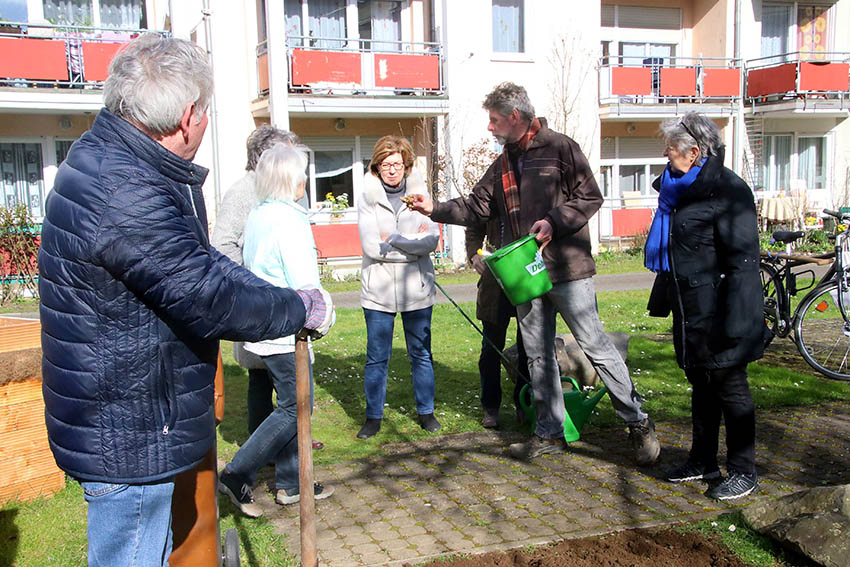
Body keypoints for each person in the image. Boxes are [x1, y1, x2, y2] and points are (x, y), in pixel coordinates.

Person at [38, 34, 334, 567]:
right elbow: (207, 295)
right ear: (188, 116)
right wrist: (297, 308)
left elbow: (198, 262)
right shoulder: (124, 189)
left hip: (127, 412)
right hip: (125, 427)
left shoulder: (121, 161)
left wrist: (282, 296)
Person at [409, 82, 660, 465]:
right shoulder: (503, 163)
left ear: (515, 117)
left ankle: (637, 421)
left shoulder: (562, 148)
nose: (490, 127)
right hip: (525, 273)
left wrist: (554, 222)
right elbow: (476, 207)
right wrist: (435, 208)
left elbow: (590, 196)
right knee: (538, 356)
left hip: (568, 269)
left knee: (595, 346)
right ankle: (549, 432)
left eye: (494, 120)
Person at [645, 113, 763, 500]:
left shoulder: (728, 191)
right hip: (689, 308)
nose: (664, 153)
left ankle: (744, 471)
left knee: (731, 386)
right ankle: (703, 460)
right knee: (701, 384)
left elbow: (743, 261)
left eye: (670, 148)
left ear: (694, 152)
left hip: (722, 310)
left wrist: (738, 320)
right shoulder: (676, 188)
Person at [218, 144, 334, 516]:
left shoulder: (260, 213)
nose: (304, 179)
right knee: (296, 406)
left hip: (264, 323)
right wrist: (322, 314)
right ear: (290, 179)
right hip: (285, 328)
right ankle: (237, 472)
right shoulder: (288, 219)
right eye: (301, 172)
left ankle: (291, 483)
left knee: (288, 403)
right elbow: (304, 283)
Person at [212, 125, 324, 450]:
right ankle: (263, 451)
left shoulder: (280, 194)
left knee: (283, 387)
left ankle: (285, 446)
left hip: (278, 304)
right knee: (262, 383)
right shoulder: (243, 192)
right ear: (267, 157)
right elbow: (221, 245)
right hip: (258, 302)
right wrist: (255, 278)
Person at [356, 135, 441, 439]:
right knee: (377, 356)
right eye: (385, 164)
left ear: (406, 165)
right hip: (377, 291)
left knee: (421, 353)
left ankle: (426, 412)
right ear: (376, 167)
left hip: (416, 288)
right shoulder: (367, 195)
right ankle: (373, 417)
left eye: (397, 164)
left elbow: (431, 240)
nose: (392, 170)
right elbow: (370, 247)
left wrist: (391, 238)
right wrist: (411, 245)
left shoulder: (420, 196)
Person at [465, 218, 530, 429]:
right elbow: (473, 223)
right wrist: (474, 254)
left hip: (527, 275)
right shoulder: (490, 188)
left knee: (529, 348)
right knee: (491, 351)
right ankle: (491, 407)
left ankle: (525, 404)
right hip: (494, 280)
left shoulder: (534, 186)